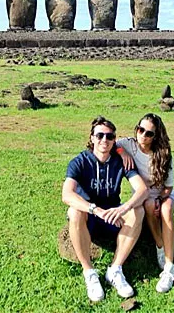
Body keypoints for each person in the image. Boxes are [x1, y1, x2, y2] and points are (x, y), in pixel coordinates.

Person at [62, 116, 149, 302]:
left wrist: (123, 208)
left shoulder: (121, 161)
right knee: (74, 211)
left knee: (138, 210)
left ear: (114, 140)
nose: (104, 140)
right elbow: (67, 195)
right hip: (91, 215)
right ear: (92, 137)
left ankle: (115, 270)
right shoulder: (79, 161)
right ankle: (90, 273)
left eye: (109, 137)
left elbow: (142, 190)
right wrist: (95, 209)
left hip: (113, 214)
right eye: (99, 135)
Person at [117, 113, 174, 293]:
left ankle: (169, 267)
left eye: (149, 133)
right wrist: (122, 152)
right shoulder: (130, 145)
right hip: (144, 197)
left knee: (165, 209)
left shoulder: (164, 153)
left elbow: (168, 187)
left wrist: (160, 199)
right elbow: (110, 144)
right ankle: (160, 245)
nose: (143, 135)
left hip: (164, 195)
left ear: (155, 136)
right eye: (140, 130)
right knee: (148, 205)